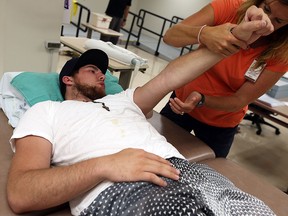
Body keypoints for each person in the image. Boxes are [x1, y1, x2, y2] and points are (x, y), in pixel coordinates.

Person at [7, 18, 274, 215]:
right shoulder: (46, 111)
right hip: (125, 189)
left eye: (103, 71)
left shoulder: (122, 99)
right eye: (92, 69)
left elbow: (171, 77)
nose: (102, 75)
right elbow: (21, 192)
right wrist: (106, 164)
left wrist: (235, 37)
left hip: (193, 174)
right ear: (67, 78)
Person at [160, 0, 288, 158]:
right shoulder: (230, 8)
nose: (266, 22)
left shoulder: (280, 53)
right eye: (266, 9)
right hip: (179, 103)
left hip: (219, 123)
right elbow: (170, 36)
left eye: (279, 21)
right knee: (155, 151)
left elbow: (239, 100)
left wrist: (201, 99)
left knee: (204, 173)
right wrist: (206, 34)